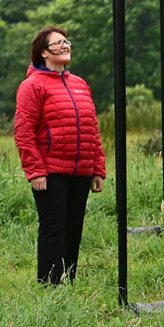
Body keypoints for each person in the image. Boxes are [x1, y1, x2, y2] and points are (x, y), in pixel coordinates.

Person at [13, 26, 105, 284]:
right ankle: (49, 285)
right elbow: (24, 133)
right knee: (54, 228)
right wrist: (35, 172)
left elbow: (92, 129)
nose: (65, 46)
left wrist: (98, 168)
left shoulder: (80, 84)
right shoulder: (31, 86)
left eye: (67, 42)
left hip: (81, 171)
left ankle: (69, 280)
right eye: (58, 43)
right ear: (43, 52)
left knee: (74, 228)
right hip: (50, 172)